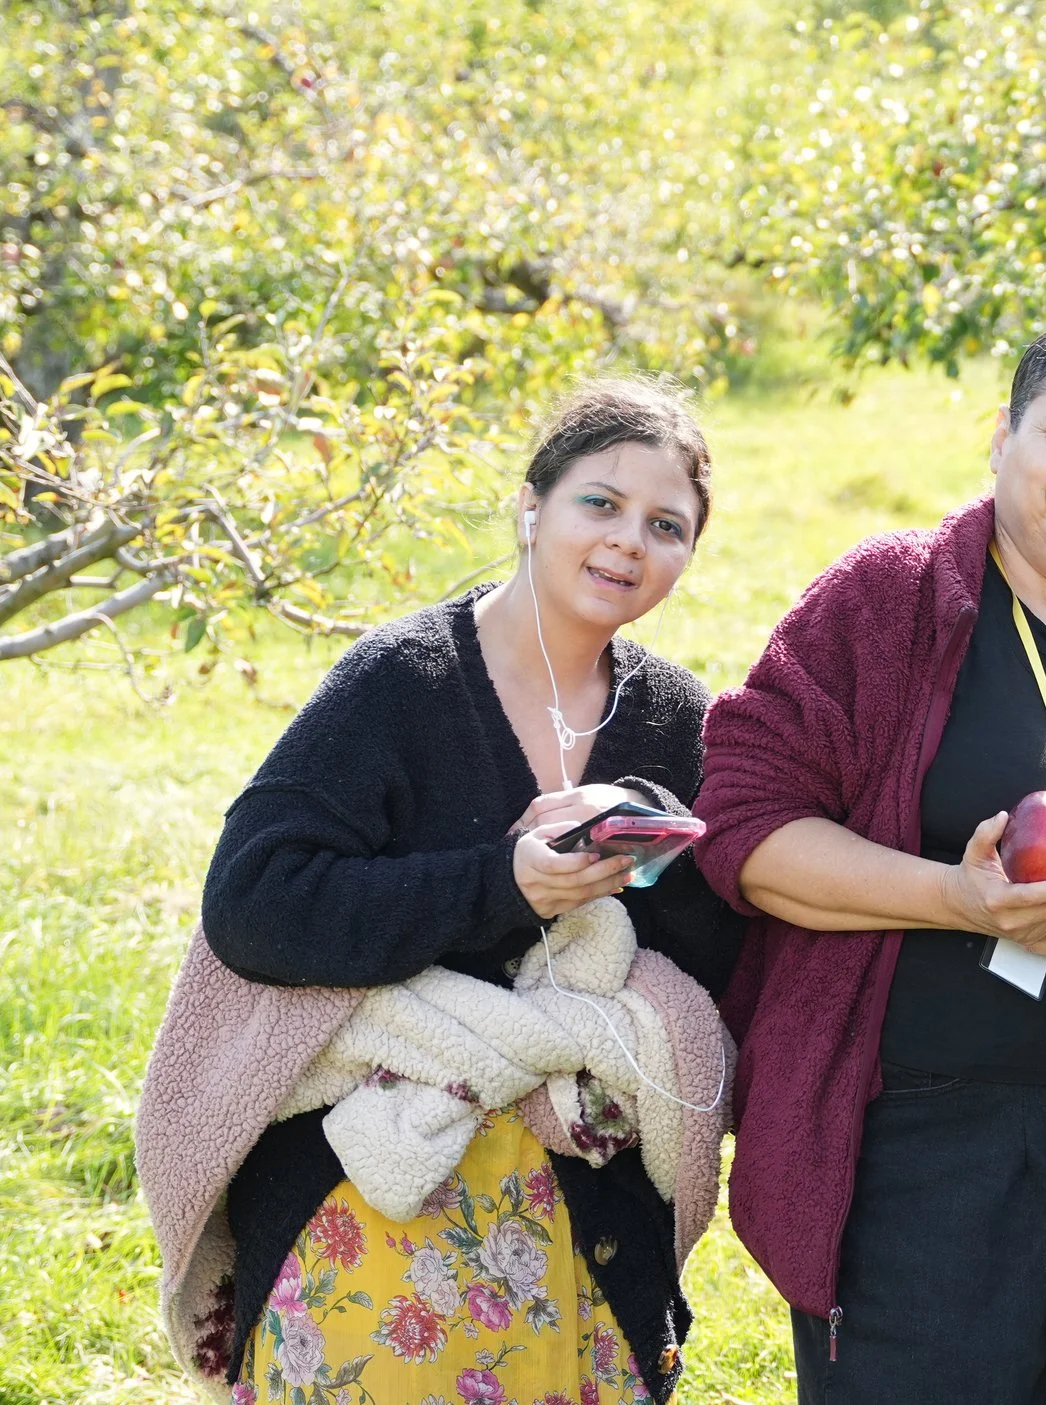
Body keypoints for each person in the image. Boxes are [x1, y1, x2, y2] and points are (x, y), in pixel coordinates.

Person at [695, 323, 1046, 1404]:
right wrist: (959, 900)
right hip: (912, 1139)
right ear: (1002, 440)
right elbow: (745, 827)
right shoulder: (888, 601)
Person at [143, 378, 745, 1404]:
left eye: (666, 525)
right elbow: (253, 901)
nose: (627, 542)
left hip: (582, 1227)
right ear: (530, 506)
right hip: (368, 1206)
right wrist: (503, 881)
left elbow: (716, 960)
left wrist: (639, 863)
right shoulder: (402, 681)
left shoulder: (675, 721)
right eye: (598, 503)